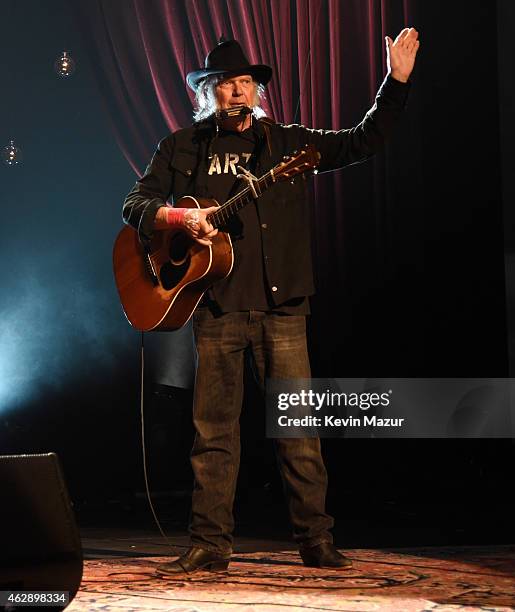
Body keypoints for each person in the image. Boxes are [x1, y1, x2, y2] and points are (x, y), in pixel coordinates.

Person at [123, 30, 420, 575]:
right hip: (215, 307)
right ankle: (210, 545)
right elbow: (135, 202)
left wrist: (395, 81)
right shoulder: (181, 147)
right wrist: (174, 218)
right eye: (225, 84)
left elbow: (362, 140)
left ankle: (315, 539)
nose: (237, 92)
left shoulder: (286, 144)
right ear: (207, 92)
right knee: (213, 435)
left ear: (256, 91)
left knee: (298, 432)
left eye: (245, 83)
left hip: (284, 309)